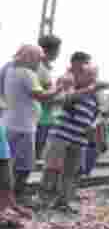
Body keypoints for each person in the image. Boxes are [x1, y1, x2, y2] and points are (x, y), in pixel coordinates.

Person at [2, 45, 65, 212]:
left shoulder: (9, 69)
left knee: (8, 162)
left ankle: (8, 196)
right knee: (25, 165)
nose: (39, 62)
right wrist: (58, 88)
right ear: (30, 57)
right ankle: (17, 195)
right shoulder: (27, 73)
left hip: (10, 122)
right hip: (23, 127)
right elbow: (42, 96)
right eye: (38, 58)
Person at [41, 54, 99, 213]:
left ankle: (63, 202)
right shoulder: (70, 85)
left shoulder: (94, 97)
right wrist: (89, 90)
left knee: (70, 173)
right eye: (89, 75)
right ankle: (44, 200)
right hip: (61, 136)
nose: (93, 79)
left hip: (79, 140)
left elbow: (94, 116)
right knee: (51, 168)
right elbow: (65, 101)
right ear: (80, 75)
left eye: (94, 76)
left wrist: (91, 129)